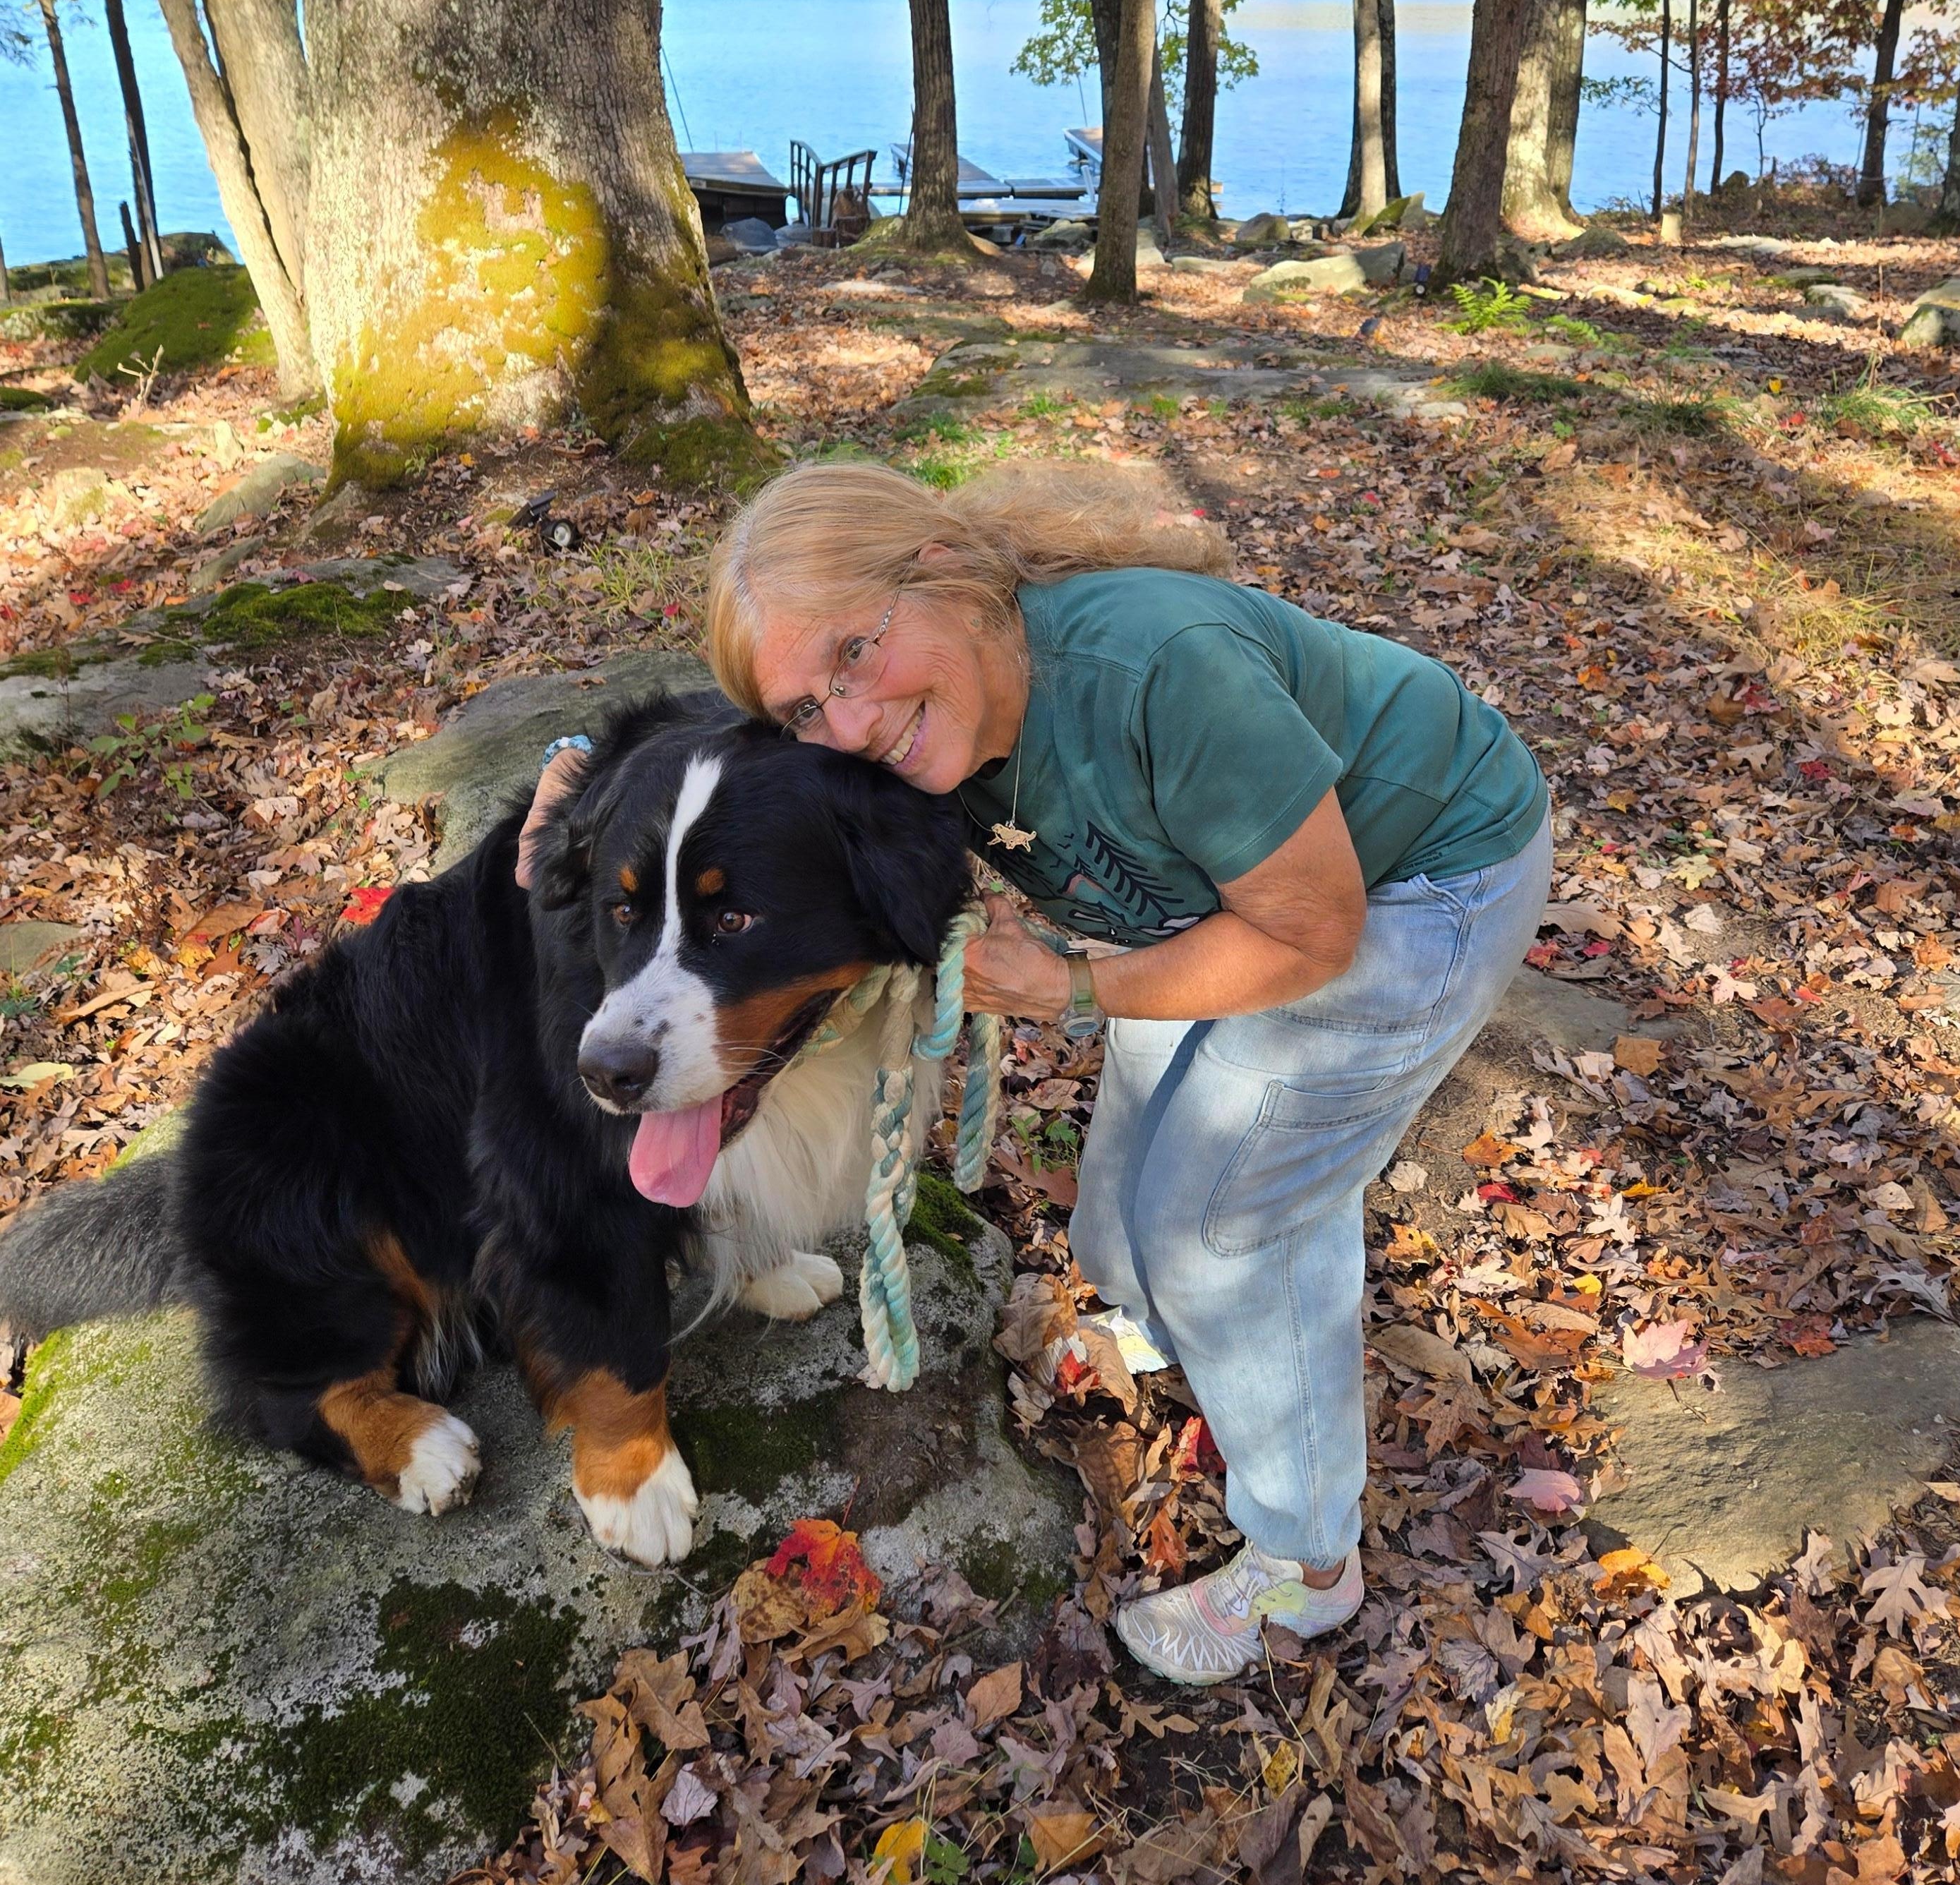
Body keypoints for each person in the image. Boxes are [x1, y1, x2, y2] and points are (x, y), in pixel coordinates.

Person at [522, 459, 1550, 1683]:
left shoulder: (1158, 674)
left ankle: (1307, 1566)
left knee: (1225, 1229)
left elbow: (1312, 935)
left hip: (1411, 886)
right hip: (1207, 905)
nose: (843, 727)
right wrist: (583, 775)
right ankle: (1204, 1341)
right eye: (807, 707)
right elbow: (729, 740)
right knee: (1118, 1223)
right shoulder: (904, 713)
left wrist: (1070, 989)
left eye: (855, 657)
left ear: (945, 572)